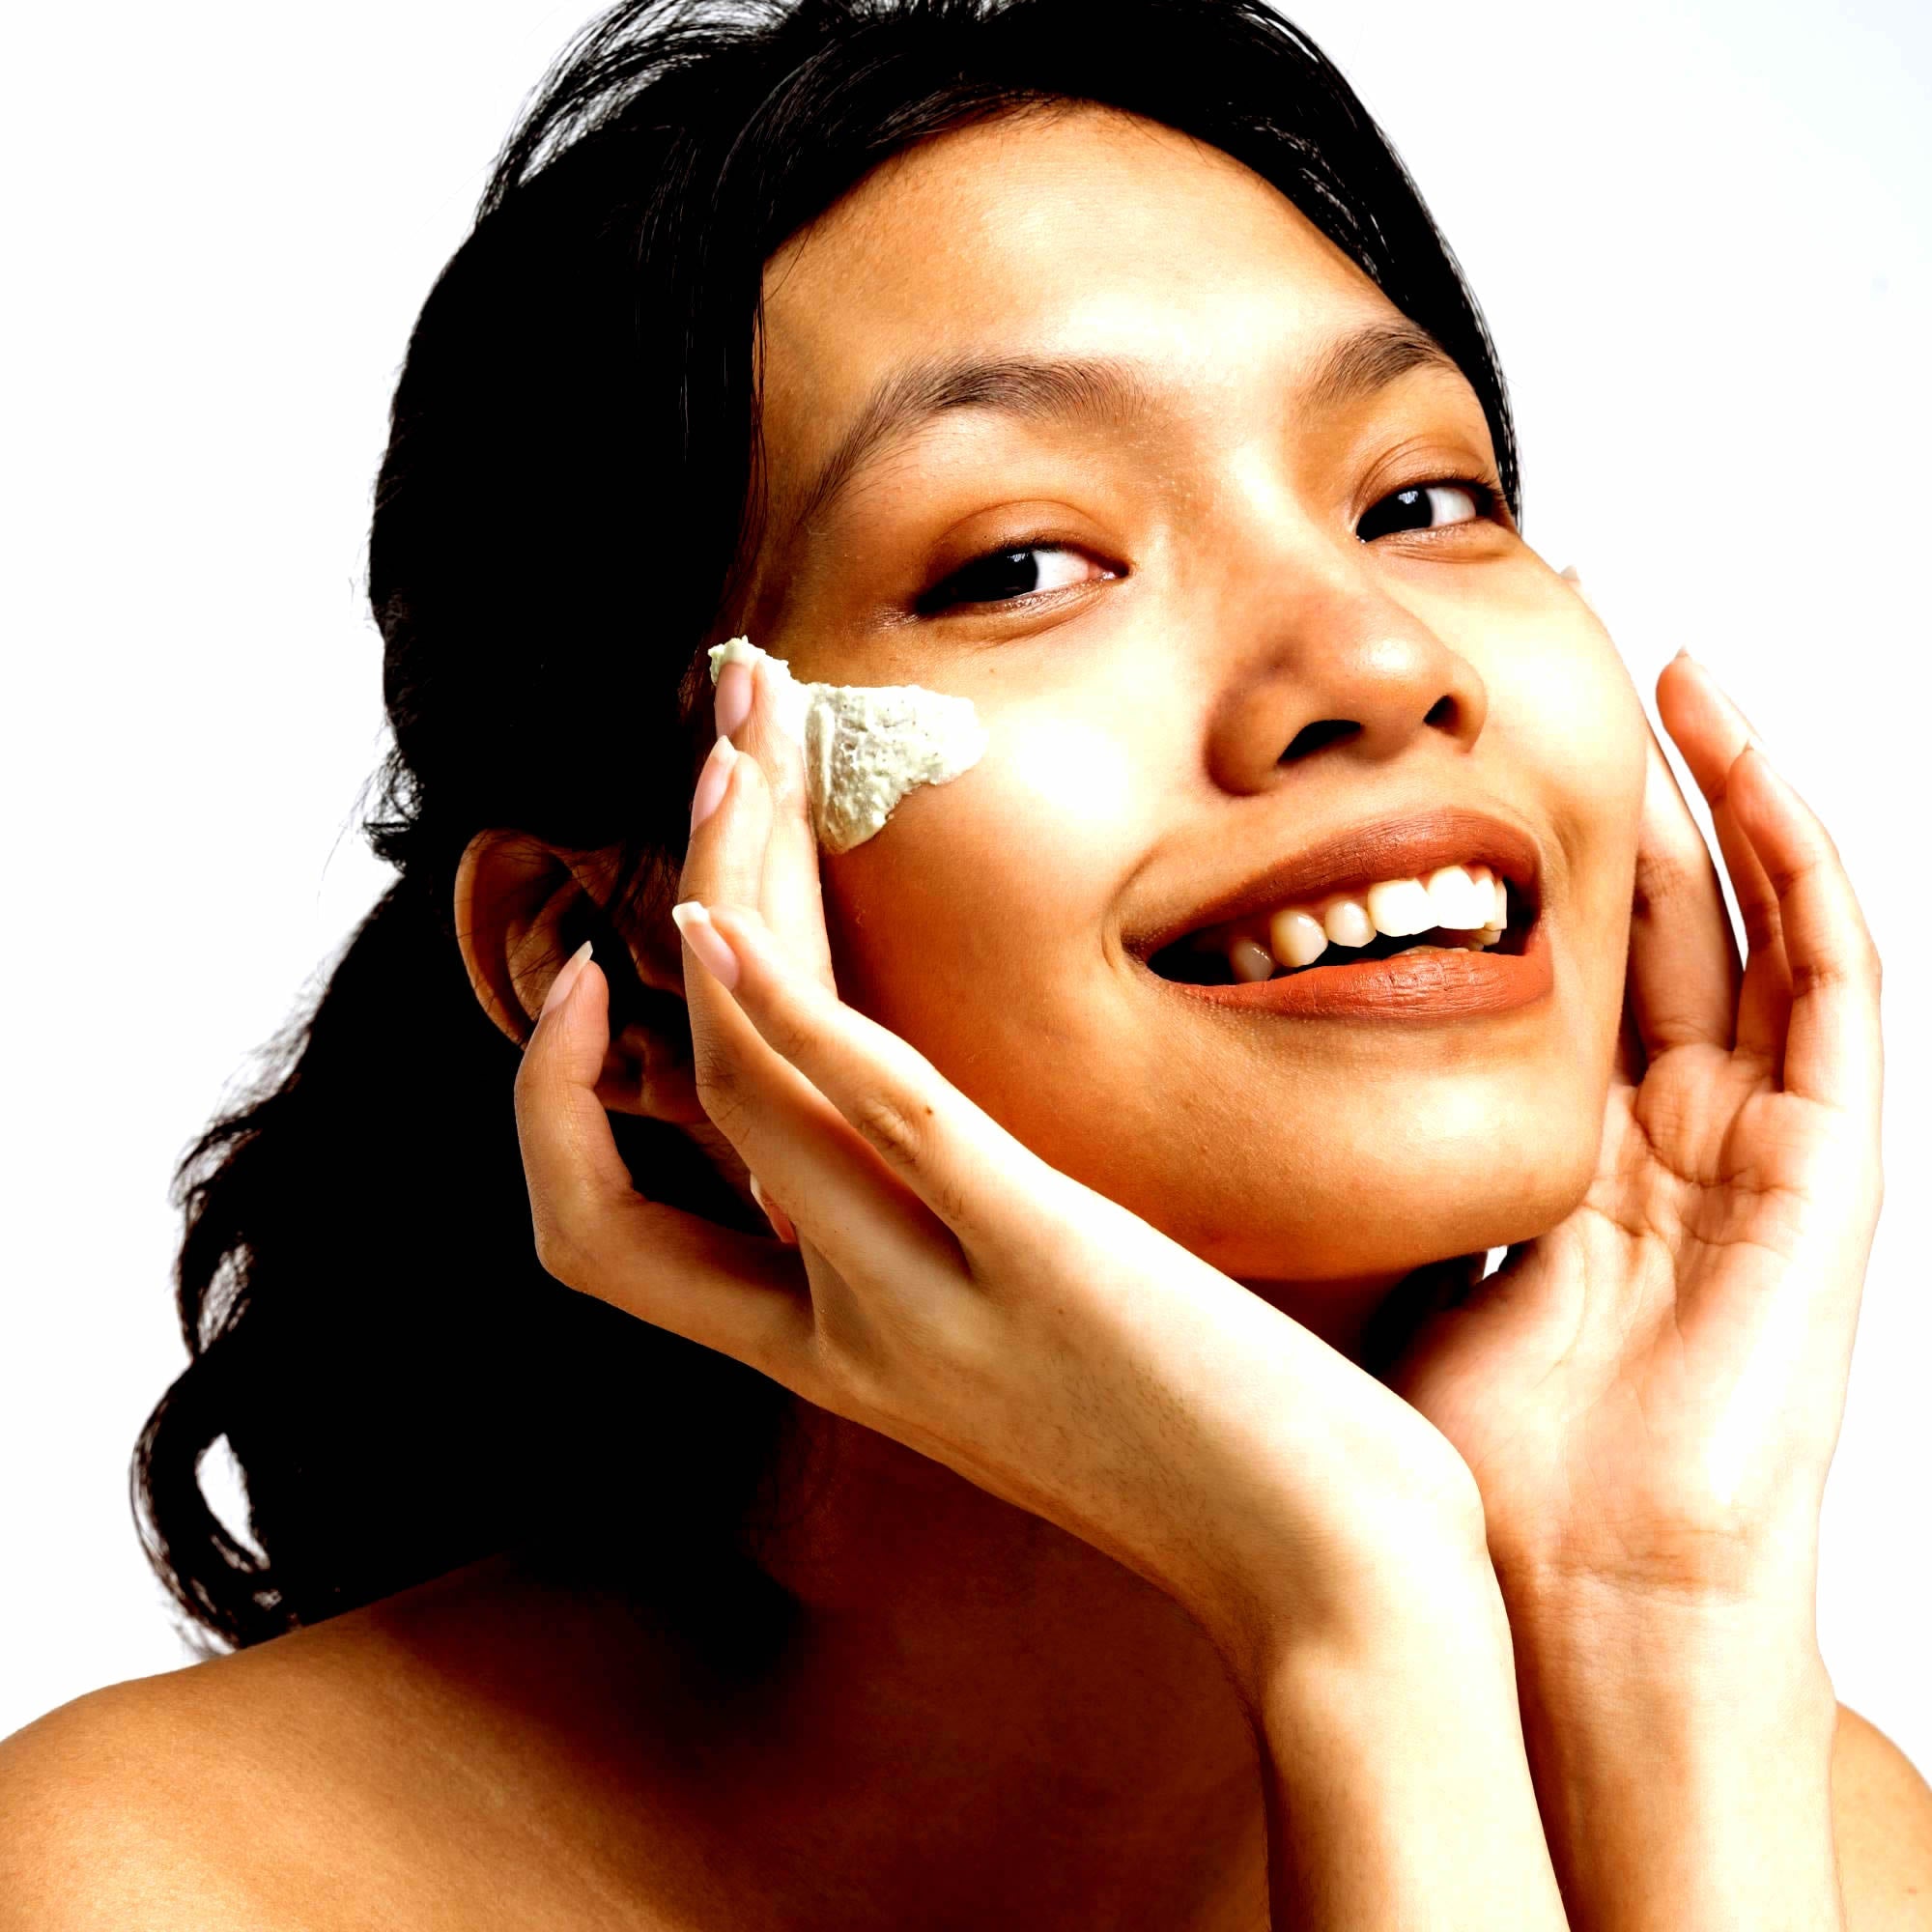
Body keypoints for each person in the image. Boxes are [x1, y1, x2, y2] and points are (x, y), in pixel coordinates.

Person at [4, 0, 1928, 1924]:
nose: (1373, 660)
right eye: (1020, 562)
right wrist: (1358, 1613)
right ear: (616, 957)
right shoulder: (146, 1887)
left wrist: (1657, 1622)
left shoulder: (1800, 1825)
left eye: (1420, 502)